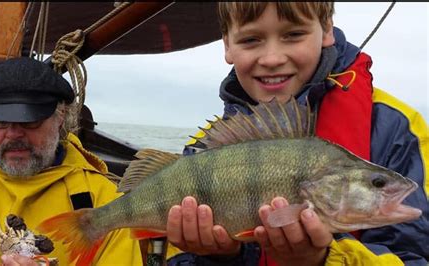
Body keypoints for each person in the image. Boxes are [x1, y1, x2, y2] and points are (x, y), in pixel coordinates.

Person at [166, 2, 429, 265]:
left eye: (293, 35)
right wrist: (221, 256)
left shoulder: (398, 131)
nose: (272, 58)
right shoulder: (204, 149)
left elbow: (415, 257)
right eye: (251, 39)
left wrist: (323, 259)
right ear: (227, 45)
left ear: (327, 30)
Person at [0, 57, 147, 265]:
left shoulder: (105, 205)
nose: (14, 133)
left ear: (60, 116)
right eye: (0, 120)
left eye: (30, 120)